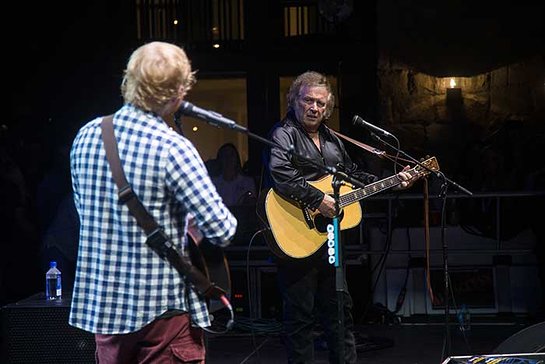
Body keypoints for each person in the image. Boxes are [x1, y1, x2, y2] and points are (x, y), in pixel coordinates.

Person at [69, 41, 237, 363]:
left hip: (106, 311)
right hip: (162, 311)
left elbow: (86, 214)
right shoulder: (173, 148)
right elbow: (222, 230)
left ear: (128, 80)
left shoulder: (86, 136)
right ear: (178, 92)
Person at [267, 71, 419, 363]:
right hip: (296, 235)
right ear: (294, 101)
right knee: (300, 320)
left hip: (331, 239)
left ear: (328, 108)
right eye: (308, 100)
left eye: (321, 103)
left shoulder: (332, 140)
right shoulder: (283, 134)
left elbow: (353, 176)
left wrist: (392, 180)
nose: (314, 108)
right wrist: (318, 200)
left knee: (339, 314)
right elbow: (281, 176)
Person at [211, 142, 257, 207]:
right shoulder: (214, 184)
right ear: (220, 159)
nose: (228, 159)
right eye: (225, 155)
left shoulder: (247, 182)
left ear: (236, 158)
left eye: (231, 155)